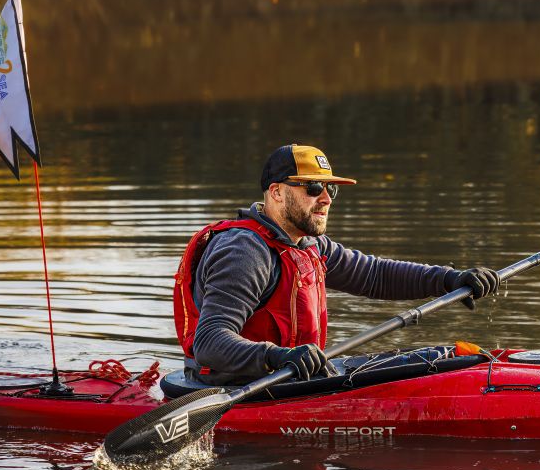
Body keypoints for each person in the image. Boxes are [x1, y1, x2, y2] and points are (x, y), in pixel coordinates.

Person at [173, 144, 500, 386]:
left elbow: (375, 275)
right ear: (275, 192)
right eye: (313, 188)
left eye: (329, 189)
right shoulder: (245, 253)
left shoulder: (307, 244)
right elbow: (210, 342)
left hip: (290, 378)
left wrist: (448, 279)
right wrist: (278, 357)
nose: (326, 198)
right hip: (238, 389)